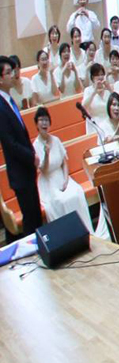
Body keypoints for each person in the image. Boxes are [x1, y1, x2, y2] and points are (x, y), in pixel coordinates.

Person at [32, 107, 100, 236]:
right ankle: (70, 235)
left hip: (61, 176)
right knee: (62, 200)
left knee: (77, 193)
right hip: (48, 182)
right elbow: (44, 170)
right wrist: (46, 154)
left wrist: (65, 180)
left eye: (46, 120)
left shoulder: (56, 140)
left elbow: (64, 163)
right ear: (36, 124)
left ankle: (85, 232)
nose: (44, 123)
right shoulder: (35, 146)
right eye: (41, 120)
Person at [0, 55, 44, 234]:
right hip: (19, 171)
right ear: (0, 78)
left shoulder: (9, 101)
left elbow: (22, 135)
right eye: (8, 72)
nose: (13, 75)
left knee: (36, 215)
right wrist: (31, 156)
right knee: (30, 220)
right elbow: (10, 143)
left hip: (27, 169)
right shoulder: (0, 106)